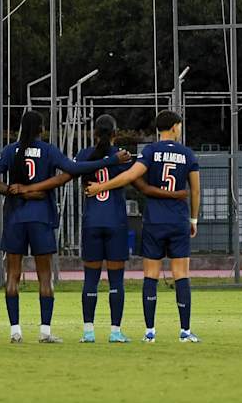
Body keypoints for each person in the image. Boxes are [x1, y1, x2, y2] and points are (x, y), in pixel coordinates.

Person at [0, 110, 123, 343]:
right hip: (41, 217)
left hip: (15, 217)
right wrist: (111, 160)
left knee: (12, 275)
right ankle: (45, 332)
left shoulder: (10, 151)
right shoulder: (48, 150)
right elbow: (73, 169)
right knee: (45, 276)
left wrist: (9, 190)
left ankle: (15, 331)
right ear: (41, 129)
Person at [41, 115, 184, 343]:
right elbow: (141, 186)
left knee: (91, 279)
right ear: (115, 134)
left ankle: (88, 332)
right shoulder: (123, 157)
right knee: (116, 280)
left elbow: (72, 175)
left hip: (91, 222)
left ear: (94, 134)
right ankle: (115, 331)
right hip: (116, 222)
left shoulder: (83, 155)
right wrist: (171, 194)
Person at [85, 110, 200, 342]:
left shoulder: (150, 151)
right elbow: (195, 190)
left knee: (151, 275)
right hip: (178, 220)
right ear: (175, 127)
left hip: (154, 220)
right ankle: (185, 331)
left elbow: (129, 177)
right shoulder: (187, 154)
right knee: (181, 275)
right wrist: (194, 219)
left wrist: (100, 187)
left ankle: (150, 332)